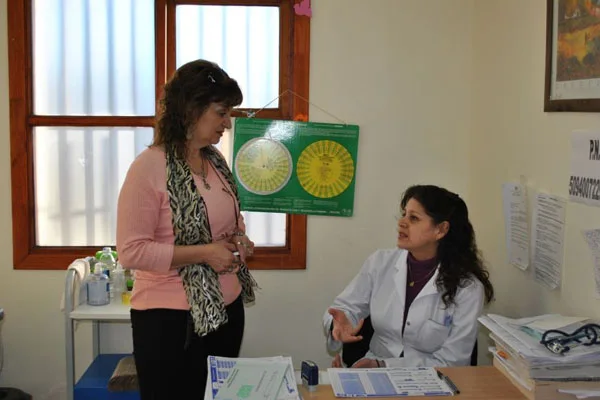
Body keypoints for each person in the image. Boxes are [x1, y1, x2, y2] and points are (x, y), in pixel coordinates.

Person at [116, 59, 258, 399]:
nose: (228, 122)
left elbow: (230, 221)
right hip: (170, 321)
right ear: (192, 110)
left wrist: (240, 239)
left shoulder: (215, 161)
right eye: (221, 112)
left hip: (226, 309)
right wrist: (206, 253)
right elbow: (131, 251)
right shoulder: (149, 167)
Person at [323, 184, 494, 368]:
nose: (402, 223)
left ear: (441, 229)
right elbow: (345, 307)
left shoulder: (467, 288)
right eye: (404, 214)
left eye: (413, 218)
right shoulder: (380, 263)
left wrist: (385, 366)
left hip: (434, 381)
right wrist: (338, 325)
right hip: (372, 369)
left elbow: (454, 362)